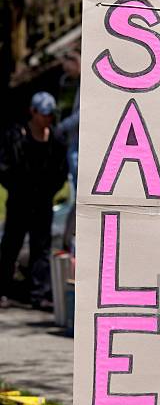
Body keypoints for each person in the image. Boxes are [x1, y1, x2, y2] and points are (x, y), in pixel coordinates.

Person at [0, 92, 68, 308]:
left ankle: (38, 294)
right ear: (33, 111)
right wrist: (18, 187)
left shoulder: (55, 138)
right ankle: (4, 290)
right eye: (44, 114)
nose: (47, 118)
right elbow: (4, 167)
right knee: (11, 245)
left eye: (51, 114)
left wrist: (48, 191)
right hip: (20, 200)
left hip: (42, 202)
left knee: (42, 248)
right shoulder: (16, 135)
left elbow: (60, 171)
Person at [57, 49, 81, 190]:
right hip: (71, 136)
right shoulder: (67, 82)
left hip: (78, 135)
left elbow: (81, 112)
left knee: (77, 170)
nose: (66, 72)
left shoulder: (84, 83)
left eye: (68, 68)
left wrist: (63, 126)